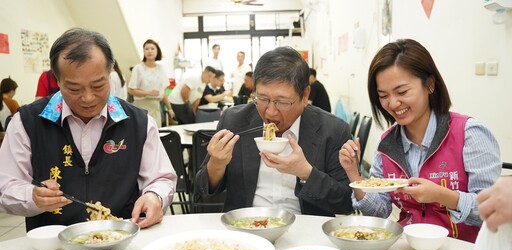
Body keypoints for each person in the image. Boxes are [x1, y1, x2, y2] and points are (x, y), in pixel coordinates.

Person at [0, 28, 177, 231]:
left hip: (123, 243)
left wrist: (154, 196)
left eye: (98, 85)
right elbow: (5, 184)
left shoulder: (139, 122)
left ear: (110, 74)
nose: (88, 98)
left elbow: (161, 177)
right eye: (74, 89)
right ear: (57, 81)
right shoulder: (27, 122)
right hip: (54, 246)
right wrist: (31, 196)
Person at [338, 39, 501, 243]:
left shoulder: (469, 134)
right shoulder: (387, 145)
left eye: (402, 92)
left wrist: (442, 195)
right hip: (408, 248)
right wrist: (354, 174)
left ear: (430, 85)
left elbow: (492, 211)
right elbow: (379, 211)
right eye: (383, 95)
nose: (393, 103)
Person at [195, 46, 353, 216]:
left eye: (282, 101)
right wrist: (217, 164)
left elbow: (345, 203)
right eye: (262, 98)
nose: (270, 111)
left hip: (305, 230)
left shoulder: (333, 130)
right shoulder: (235, 121)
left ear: (305, 95)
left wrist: (306, 172)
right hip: (245, 228)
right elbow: (202, 191)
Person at [128, 39, 174, 127]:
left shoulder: (161, 69)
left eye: (152, 48)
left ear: (157, 51)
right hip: (140, 106)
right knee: (142, 134)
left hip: (155, 106)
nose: (150, 51)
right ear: (143, 51)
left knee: (156, 134)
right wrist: (148, 93)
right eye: (147, 49)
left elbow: (163, 93)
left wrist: (170, 108)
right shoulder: (138, 68)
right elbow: (131, 90)